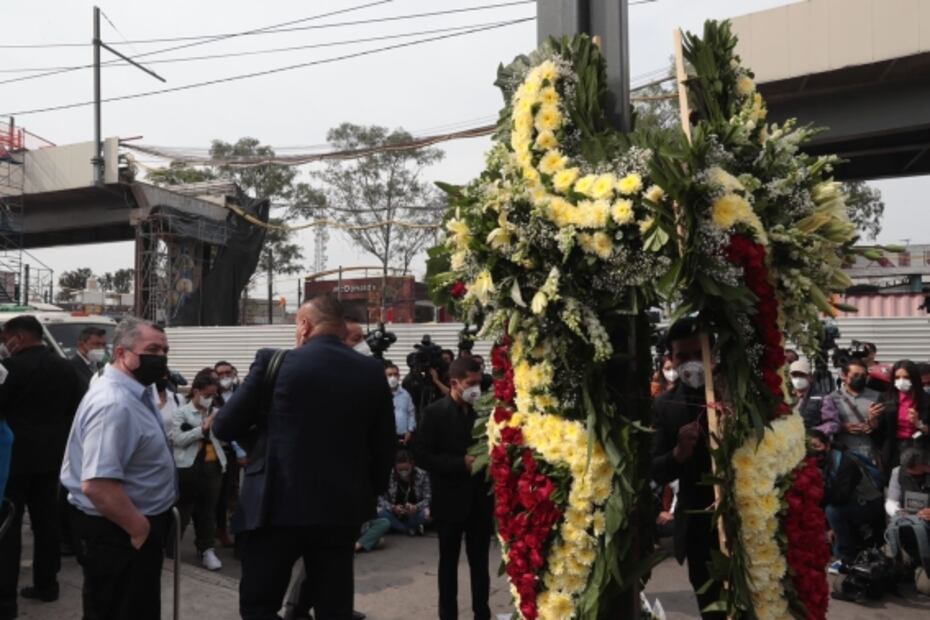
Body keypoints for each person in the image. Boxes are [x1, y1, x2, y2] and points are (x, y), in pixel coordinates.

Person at [213, 295, 395, 620]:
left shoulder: (275, 362)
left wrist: (262, 442)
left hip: (273, 507)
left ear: (304, 325)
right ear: (342, 327)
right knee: (333, 606)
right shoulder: (371, 371)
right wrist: (368, 495)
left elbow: (225, 426)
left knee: (260, 606)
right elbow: (384, 447)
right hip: (340, 512)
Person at [60, 317, 176, 620]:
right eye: (152, 349)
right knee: (119, 610)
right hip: (119, 531)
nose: (161, 357)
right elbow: (98, 485)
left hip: (131, 527)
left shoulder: (137, 390)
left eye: (164, 350)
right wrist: (138, 529)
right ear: (122, 353)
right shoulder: (114, 403)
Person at [0, 316, 83, 618]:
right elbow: (76, 411)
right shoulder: (66, 368)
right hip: (52, 461)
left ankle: (5, 600)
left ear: (18, 338)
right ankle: (47, 585)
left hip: (12, 462)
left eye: (5, 338)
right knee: (46, 524)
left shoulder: (9, 369)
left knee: (8, 528)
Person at [651, 317, 723, 619]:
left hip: (745, 518)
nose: (691, 363)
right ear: (671, 359)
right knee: (713, 607)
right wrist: (678, 454)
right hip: (699, 527)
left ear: (714, 355)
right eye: (683, 356)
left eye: (699, 355)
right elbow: (654, 470)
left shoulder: (735, 395)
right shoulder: (664, 406)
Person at [417, 356, 493, 620]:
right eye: (471, 383)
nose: (476, 389)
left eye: (479, 383)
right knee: (448, 564)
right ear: (454, 383)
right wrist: (459, 463)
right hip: (449, 500)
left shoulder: (483, 411)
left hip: (480, 501)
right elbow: (423, 456)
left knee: (480, 562)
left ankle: (482, 611)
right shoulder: (435, 413)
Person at [168, 369, 226, 571]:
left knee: (208, 510)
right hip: (188, 468)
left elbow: (224, 438)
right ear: (196, 391)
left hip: (213, 466)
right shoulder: (180, 413)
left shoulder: (217, 412)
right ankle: (171, 549)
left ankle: (206, 549)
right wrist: (201, 429)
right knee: (183, 510)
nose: (210, 399)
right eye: (207, 395)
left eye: (213, 396)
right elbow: (178, 439)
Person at [808, 429, 884, 571]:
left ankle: (845, 557)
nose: (814, 452)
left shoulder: (844, 462)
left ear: (827, 445)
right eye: (809, 448)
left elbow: (839, 498)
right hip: (850, 502)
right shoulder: (823, 463)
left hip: (869, 504)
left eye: (817, 446)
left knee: (833, 511)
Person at [821, 359, 883, 466]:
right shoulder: (832, 398)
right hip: (842, 453)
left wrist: (872, 423)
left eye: (863, 375)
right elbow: (826, 423)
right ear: (844, 376)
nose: (859, 378)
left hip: (869, 452)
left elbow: (884, 426)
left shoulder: (877, 396)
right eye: (855, 375)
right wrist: (842, 427)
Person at [875, 360, 930, 474]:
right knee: (893, 484)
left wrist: (918, 424)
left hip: (918, 447)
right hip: (893, 449)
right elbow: (879, 428)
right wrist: (872, 418)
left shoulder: (926, 399)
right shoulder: (886, 398)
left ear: (914, 378)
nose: (901, 381)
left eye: (906, 377)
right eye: (897, 377)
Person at [884, 447, 930, 574]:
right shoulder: (897, 472)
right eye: (909, 472)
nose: (911, 475)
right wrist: (898, 512)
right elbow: (891, 501)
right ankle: (911, 562)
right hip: (910, 518)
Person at [376, 449, 431, 536]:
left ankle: (401, 527)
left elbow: (428, 498)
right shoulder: (389, 475)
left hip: (414, 513)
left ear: (412, 464)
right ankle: (408, 529)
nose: (403, 472)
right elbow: (380, 498)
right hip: (395, 513)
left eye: (406, 469)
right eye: (400, 469)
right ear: (395, 466)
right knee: (380, 512)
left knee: (425, 513)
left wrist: (416, 507)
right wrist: (393, 508)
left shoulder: (422, 475)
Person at [789, 360, 834, 434]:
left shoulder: (823, 398)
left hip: (811, 441)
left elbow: (832, 423)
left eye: (802, 375)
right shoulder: (784, 397)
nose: (798, 378)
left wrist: (814, 432)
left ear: (810, 376)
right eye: (795, 375)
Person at [69, 326, 108, 391]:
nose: (101, 348)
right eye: (97, 344)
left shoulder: (103, 366)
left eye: (103, 345)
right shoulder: (71, 368)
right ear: (81, 345)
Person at [386, 363, 416, 446]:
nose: (393, 377)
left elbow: (411, 414)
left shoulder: (405, 395)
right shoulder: (380, 394)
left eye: (395, 374)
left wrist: (410, 431)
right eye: (390, 375)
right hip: (385, 437)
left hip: (403, 436)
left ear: (399, 376)